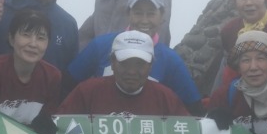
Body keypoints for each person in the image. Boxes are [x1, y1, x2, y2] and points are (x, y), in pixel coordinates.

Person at [67, 0, 203, 115]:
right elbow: (67, 84)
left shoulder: (171, 60)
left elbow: (194, 108)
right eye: (138, 13)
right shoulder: (100, 45)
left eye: (151, 14)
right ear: (128, 14)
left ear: (162, 16)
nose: (144, 20)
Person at [0, 8, 60, 134]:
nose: (33, 44)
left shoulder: (52, 76)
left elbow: (47, 123)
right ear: (11, 38)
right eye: (26, 35)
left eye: (41, 38)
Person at [58, 30, 188, 116]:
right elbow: (60, 125)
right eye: (125, 63)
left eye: (139, 64)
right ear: (113, 63)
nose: (131, 71)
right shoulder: (86, 92)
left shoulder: (167, 99)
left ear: (150, 66)